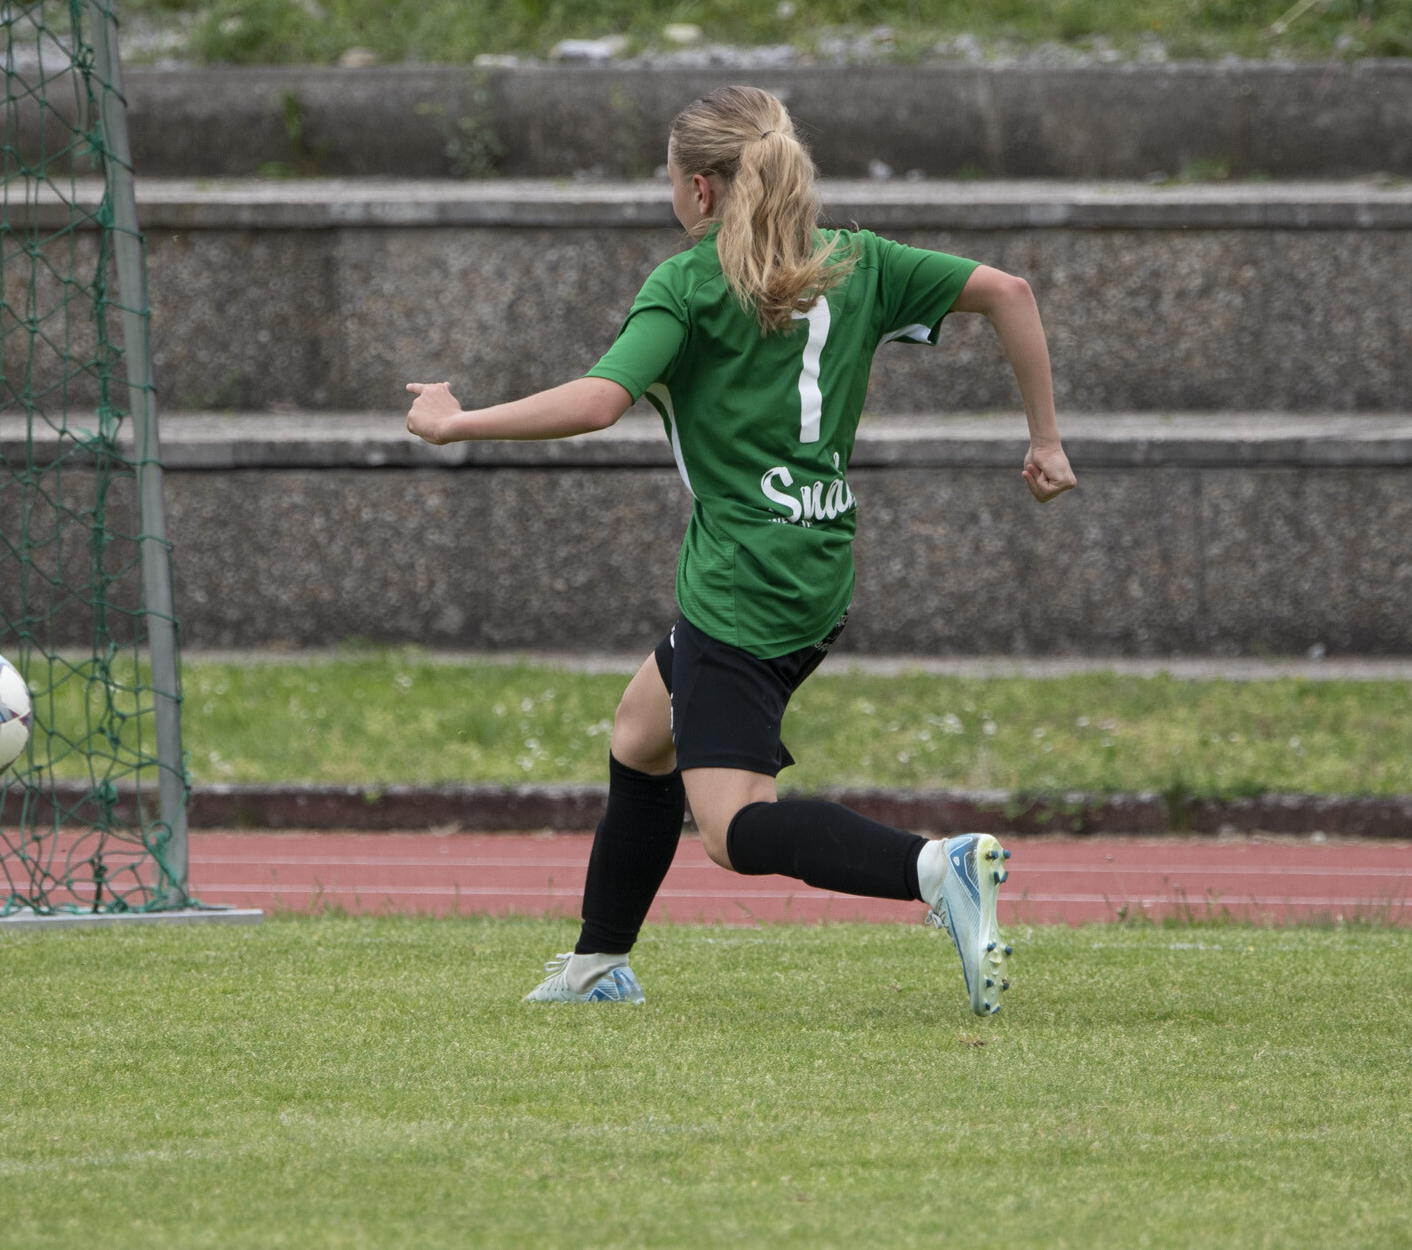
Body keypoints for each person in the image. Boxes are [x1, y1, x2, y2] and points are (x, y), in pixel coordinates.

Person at [404, 85, 1077, 1016]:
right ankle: (598, 966)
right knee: (641, 734)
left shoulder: (688, 284)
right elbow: (1011, 292)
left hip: (740, 589)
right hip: (816, 568)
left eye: (671, 179)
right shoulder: (860, 262)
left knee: (732, 830)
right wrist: (1045, 441)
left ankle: (936, 868)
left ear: (701, 190)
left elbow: (598, 402)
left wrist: (454, 421)